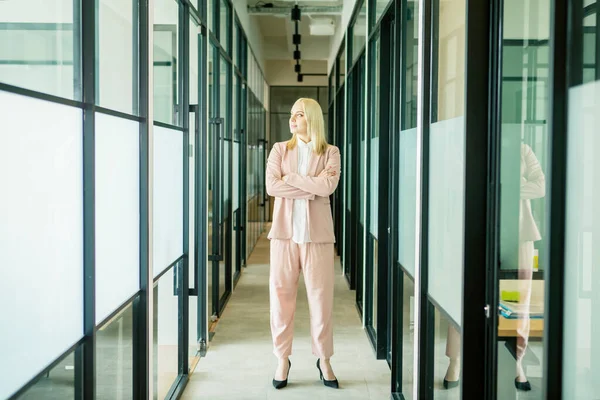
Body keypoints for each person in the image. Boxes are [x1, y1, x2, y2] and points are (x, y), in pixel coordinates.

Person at [444, 142, 545, 391]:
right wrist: (510, 187)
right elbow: (460, 185)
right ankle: (455, 361)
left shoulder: (522, 149)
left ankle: (518, 363)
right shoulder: (470, 140)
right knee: (464, 295)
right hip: (477, 229)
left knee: (521, 299)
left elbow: (540, 186)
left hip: (519, 233)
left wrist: (502, 189)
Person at [265, 98, 341, 390]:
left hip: (317, 238)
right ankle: (282, 358)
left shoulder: (330, 152)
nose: (292, 120)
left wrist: (293, 179)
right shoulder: (279, 150)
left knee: (321, 301)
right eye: (291, 114)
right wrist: (311, 187)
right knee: (281, 300)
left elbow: (328, 186)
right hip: (284, 237)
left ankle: (324, 360)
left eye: (299, 115)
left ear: (312, 119)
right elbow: (272, 186)